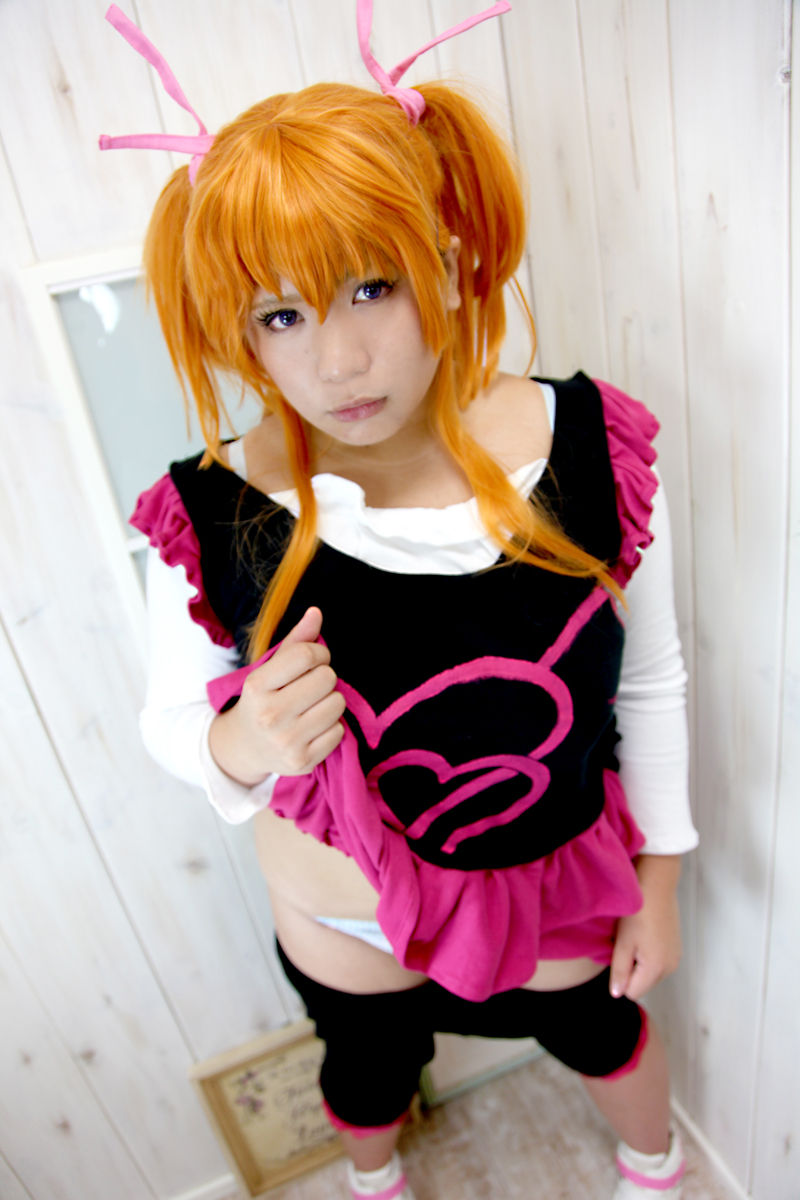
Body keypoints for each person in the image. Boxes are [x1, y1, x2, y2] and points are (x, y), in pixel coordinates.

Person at [103, 3, 698, 1197]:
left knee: (601, 1034)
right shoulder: (215, 513)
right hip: (344, 916)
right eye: (281, 314)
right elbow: (171, 724)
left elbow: (649, 680)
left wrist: (665, 880)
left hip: (552, 879)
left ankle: (656, 1164)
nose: (335, 361)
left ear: (450, 257)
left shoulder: (588, 451)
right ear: (238, 333)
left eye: (370, 288)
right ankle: (373, 1185)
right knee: (367, 1070)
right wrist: (241, 740)